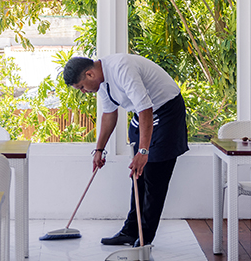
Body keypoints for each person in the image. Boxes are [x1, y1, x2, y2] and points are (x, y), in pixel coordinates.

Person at [63, 54, 188, 246]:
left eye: (81, 87)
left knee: (154, 177)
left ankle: (144, 239)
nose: (84, 91)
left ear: (89, 74)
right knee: (138, 176)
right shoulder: (101, 82)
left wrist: (143, 152)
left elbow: (145, 108)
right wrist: (99, 150)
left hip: (166, 112)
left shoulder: (122, 69)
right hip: (144, 116)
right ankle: (130, 231)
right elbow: (109, 114)